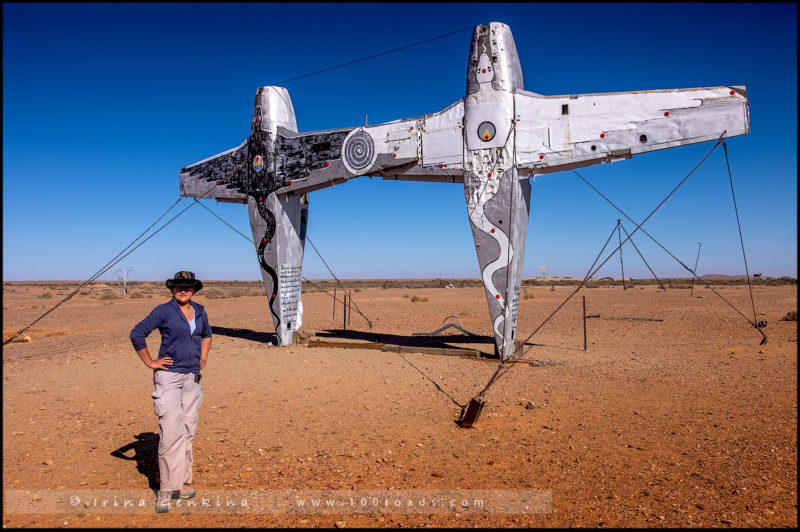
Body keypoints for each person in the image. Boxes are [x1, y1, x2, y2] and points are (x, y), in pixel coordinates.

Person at [130, 271, 212, 513]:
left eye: (187, 286)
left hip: (192, 377)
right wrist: (150, 361)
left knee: (188, 429)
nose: (183, 290)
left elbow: (206, 333)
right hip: (169, 377)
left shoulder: (200, 310)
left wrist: (203, 355)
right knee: (170, 432)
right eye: (178, 286)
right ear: (172, 289)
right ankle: (166, 490)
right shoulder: (163, 311)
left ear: (194, 289)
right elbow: (137, 333)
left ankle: (182, 484)